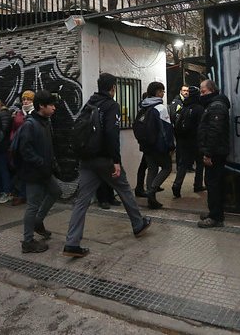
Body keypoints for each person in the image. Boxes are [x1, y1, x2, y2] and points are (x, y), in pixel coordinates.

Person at [64, 74, 151, 258]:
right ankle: (138, 224)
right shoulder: (111, 105)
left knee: (82, 201)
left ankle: (72, 243)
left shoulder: (89, 103)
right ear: (113, 87)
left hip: (87, 160)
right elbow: (112, 134)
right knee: (125, 189)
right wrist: (116, 161)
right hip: (105, 160)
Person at [13, 90, 62, 253]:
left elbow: (48, 146)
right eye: (51, 105)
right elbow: (25, 150)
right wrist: (41, 162)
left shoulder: (45, 122)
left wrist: (52, 163)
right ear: (41, 106)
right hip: (34, 172)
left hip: (45, 170)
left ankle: (38, 221)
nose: (54, 108)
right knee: (32, 205)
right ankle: (28, 241)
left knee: (55, 191)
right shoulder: (30, 124)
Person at [196, 79, 231, 228]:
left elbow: (214, 132)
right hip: (215, 151)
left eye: (203, 92)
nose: (201, 95)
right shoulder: (213, 105)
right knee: (213, 183)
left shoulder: (216, 107)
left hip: (215, 153)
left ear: (212, 91)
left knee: (213, 184)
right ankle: (214, 212)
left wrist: (208, 153)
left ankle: (216, 217)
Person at [135, 81, 175, 209]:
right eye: (162, 91)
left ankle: (150, 199)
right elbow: (166, 130)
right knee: (167, 167)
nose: (163, 93)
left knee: (152, 169)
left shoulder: (143, 107)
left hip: (146, 146)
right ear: (157, 92)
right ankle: (152, 191)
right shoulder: (160, 108)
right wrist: (170, 146)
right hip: (158, 146)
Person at [170, 86, 205, 197]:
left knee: (183, 164)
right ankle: (198, 185)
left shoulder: (184, 106)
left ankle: (177, 184)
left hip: (184, 140)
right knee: (200, 163)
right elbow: (202, 126)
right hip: (195, 141)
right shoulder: (199, 108)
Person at [8, 90, 35, 206]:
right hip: (19, 147)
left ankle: (31, 195)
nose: (26, 101)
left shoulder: (35, 113)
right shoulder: (18, 113)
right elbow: (13, 128)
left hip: (32, 147)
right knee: (21, 172)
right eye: (24, 99)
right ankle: (22, 194)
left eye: (28, 99)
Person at [0, 96, 14, 205]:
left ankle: (6, 191)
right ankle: (1, 190)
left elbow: (3, 130)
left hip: (2, 146)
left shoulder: (3, 113)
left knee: (2, 169)